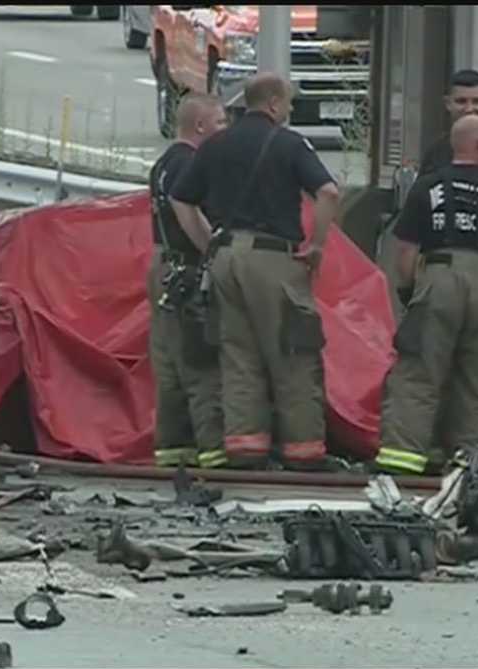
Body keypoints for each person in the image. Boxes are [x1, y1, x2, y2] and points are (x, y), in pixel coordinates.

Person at [170, 73, 341, 471]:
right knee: (293, 352)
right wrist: (316, 245)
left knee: (238, 356)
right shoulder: (290, 143)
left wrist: (208, 244)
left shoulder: (214, 145)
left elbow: (181, 198)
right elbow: (329, 192)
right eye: (290, 104)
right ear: (275, 104)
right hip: (274, 259)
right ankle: (303, 453)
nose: (291, 111)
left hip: (226, 258)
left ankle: (245, 449)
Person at [375, 114, 478, 476]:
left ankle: (401, 460)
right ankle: (474, 466)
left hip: (437, 277)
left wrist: (408, 291)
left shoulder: (426, 188)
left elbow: (404, 251)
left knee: (419, 373)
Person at [146, 93, 229, 469]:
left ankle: (173, 448)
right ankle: (214, 452)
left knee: (169, 368)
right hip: (188, 271)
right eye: (221, 123)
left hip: (163, 265)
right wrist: (212, 249)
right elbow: (186, 206)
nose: (224, 130)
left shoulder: (163, 164)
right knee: (201, 363)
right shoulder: (190, 165)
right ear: (200, 126)